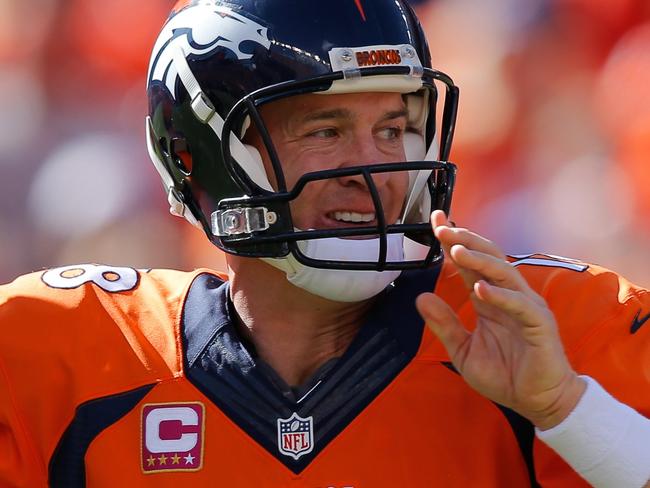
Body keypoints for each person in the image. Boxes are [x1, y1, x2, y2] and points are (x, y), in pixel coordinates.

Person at [1, 0, 649, 486]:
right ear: (200, 155)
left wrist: (569, 410)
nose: (374, 172)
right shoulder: (68, 355)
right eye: (326, 129)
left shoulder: (549, 328)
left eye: (396, 129)